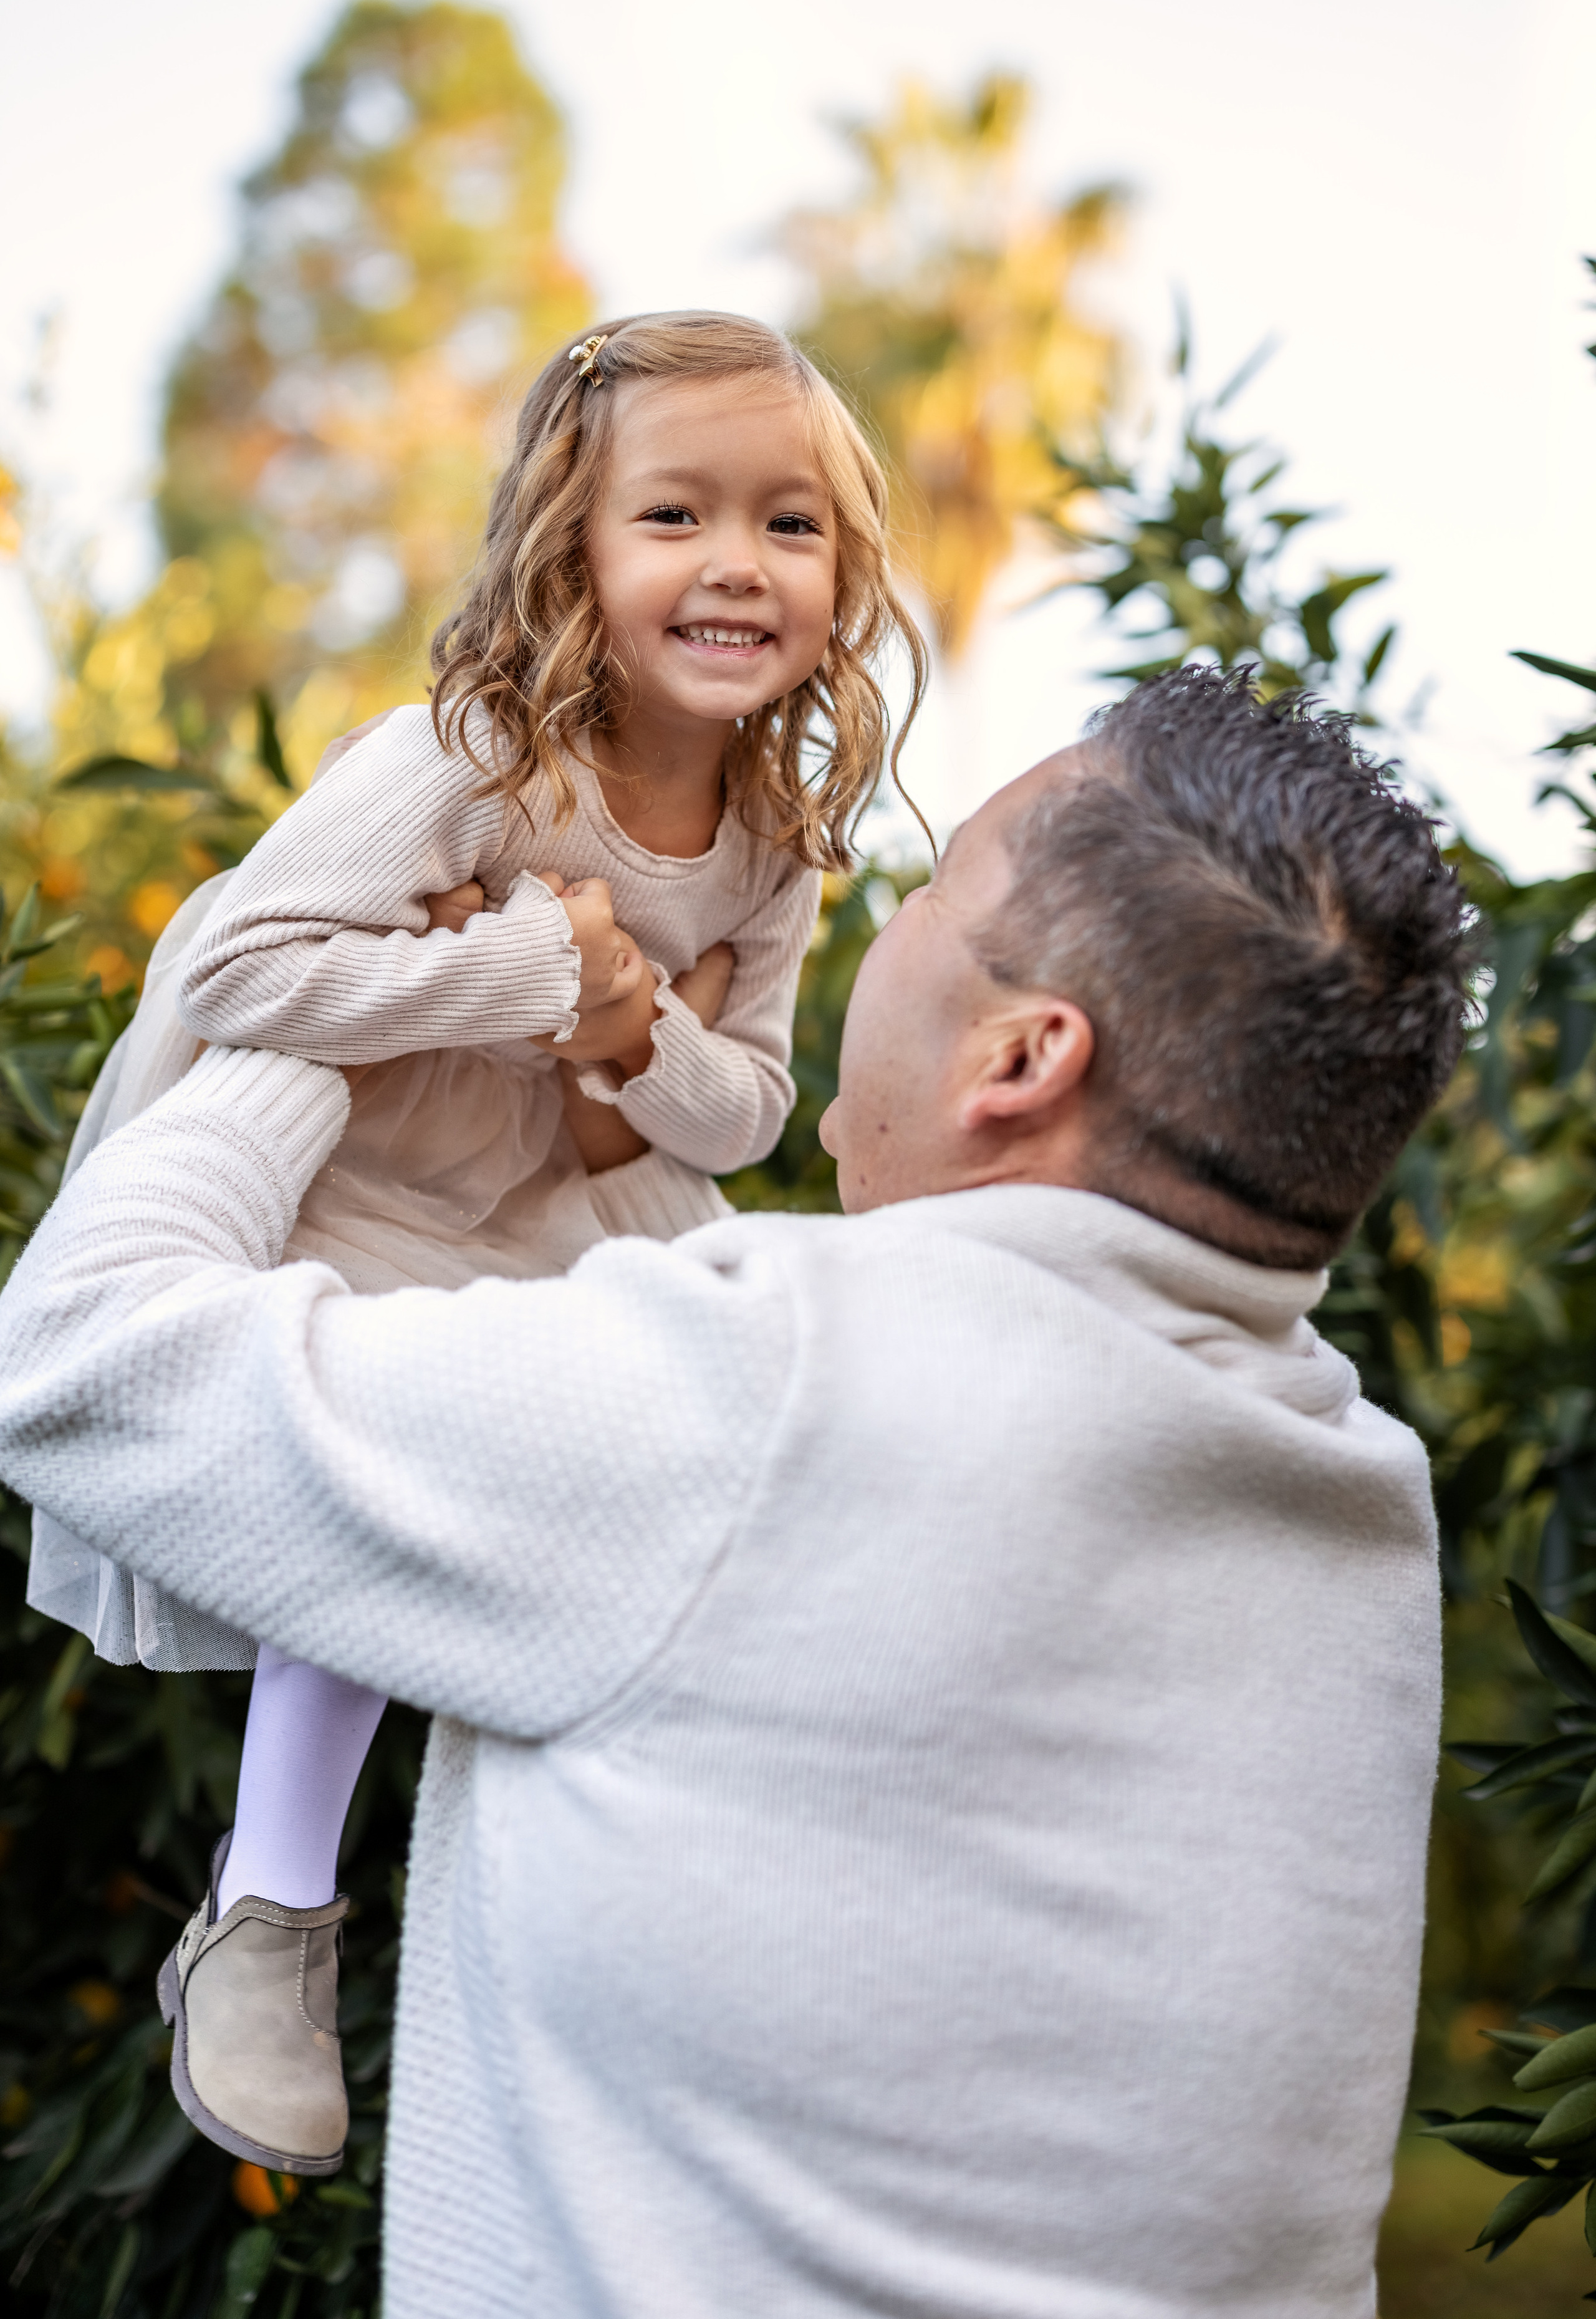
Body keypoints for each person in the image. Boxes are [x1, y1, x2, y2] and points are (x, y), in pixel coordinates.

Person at [0, 668, 1471, 2319]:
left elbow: (84, 1363)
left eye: (926, 894)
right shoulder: (1360, 1505)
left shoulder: (770, 1395)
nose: (870, 926)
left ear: (1022, 1054)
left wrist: (348, 989)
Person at [22, 309, 926, 2178]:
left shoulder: (776, 842)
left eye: (791, 526)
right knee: (375, 1477)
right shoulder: (475, 753)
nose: (737, 565)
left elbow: (747, 1109)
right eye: (675, 515)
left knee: (714, 1451)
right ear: (575, 550)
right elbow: (238, 965)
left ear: (844, 574)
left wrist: (621, 1029)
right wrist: (519, 965)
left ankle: (672, 1894)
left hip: (560, 1186)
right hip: (360, 1169)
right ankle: (268, 1910)